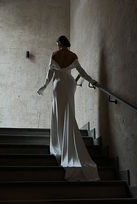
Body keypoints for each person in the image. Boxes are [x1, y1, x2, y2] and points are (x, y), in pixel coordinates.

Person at [37, 35, 100, 181]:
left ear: (59, 43)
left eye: (57, 43)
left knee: (59, 114)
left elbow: (50, 74)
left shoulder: (54, 55)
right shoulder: (73, 55)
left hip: (58, 84)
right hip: (70, 83)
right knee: (69, 112)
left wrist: (44, 86)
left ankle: (61, 144)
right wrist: (91, 81)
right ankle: (69, 144)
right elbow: (81, 72)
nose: (57, 46)